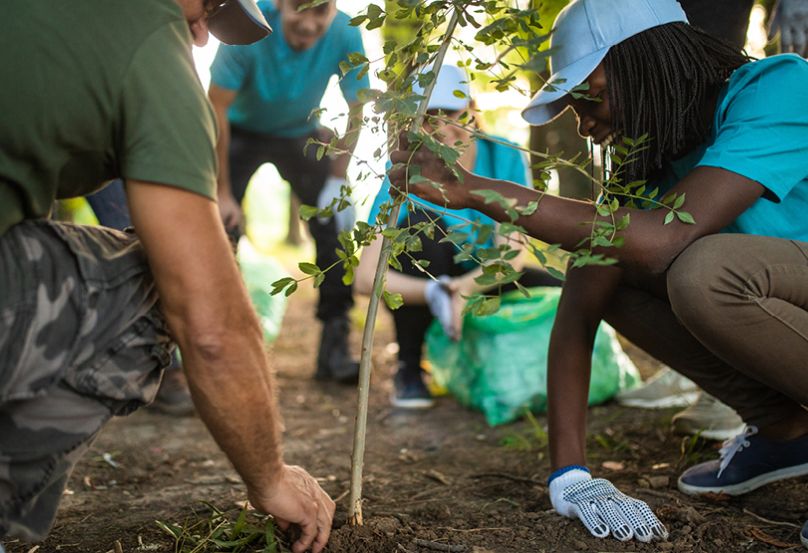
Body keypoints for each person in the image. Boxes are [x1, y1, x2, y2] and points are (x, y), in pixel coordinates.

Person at [390, 0, 808, 543]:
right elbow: (580, 304)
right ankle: (786, 431)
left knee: (704, 271)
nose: (586, 127)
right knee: (611, 268)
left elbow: (663, 238)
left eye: (590, 100)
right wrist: (571, 473)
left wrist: (477, 190)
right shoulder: (652, 165)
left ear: (649, 62)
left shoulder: (778, 89)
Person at [0, 1, 334, 551]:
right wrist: (270, 475)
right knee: (160, 278)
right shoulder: (150, 37)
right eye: (208, 10)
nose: (201, 38)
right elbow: (211, 326)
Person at [356, 65, 558, 409]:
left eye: (450, 113)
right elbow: (365, 278)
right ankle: (410, 366)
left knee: (565, 289)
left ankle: (555, 373)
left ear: (472, 112)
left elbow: (512, 257)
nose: (441, 128)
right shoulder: (405, 175)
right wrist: (439, 292)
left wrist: (463, 291)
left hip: (486, 274)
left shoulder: (505, 155)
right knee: (417, 229)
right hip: (433, 278)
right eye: (428, 116)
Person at [208, 0, 370, 384]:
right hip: (237, 131)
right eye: (301, 11)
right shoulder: (245, 25)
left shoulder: (346, 32)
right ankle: (220, 348)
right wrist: (222, 192)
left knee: (334, 228)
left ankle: (333, 348)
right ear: (279, 4)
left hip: (300, 134)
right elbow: (215, 109)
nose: (311, 25)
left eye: (322, 12)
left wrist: (337, 177)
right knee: (219, 226)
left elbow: (358, 107)